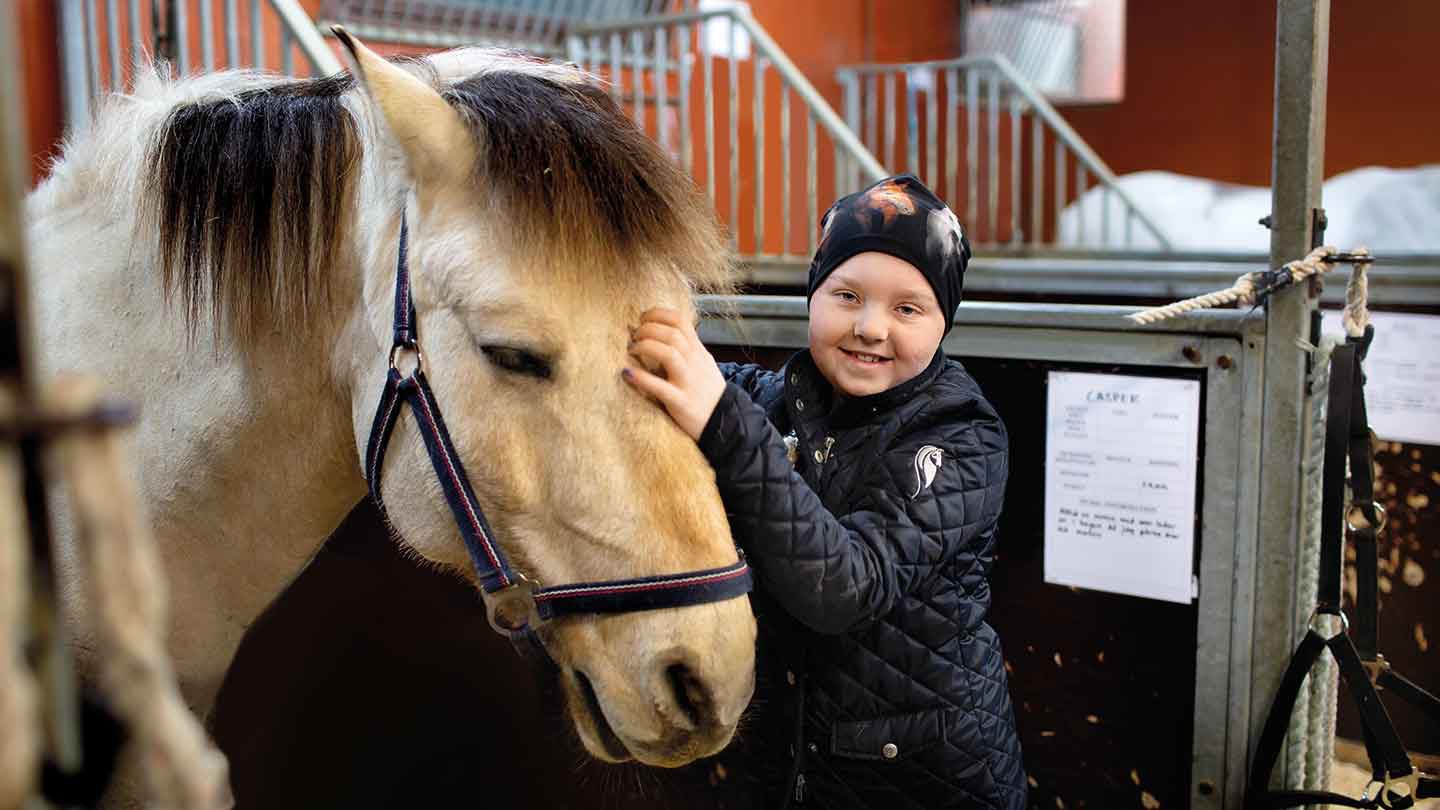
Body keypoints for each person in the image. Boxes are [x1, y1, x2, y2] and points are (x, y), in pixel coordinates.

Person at [623, 174, 1025, 810]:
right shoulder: (772, 400)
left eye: (907, 309)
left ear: (943, 323)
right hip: (793, 762)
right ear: (813, 296)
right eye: (846, 295)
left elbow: (844, 589)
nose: (870, 327)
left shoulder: (961, 436)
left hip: (924, 780)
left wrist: (725, 424)